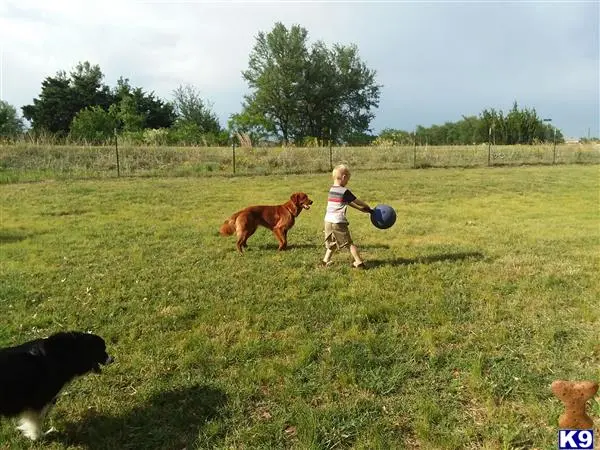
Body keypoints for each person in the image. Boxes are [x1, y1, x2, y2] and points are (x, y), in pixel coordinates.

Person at [321, 164, 373, 269]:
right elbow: (356, 201)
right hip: (338, 222)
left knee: (332, 243)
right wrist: (367, 207)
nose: (347, 182)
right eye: (347, 179)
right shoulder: (344, 191)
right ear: (344, 177)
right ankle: (359, 262)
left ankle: (325, 261)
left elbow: (347, 202)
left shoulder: (332, 190)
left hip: (327, 221)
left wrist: (359, 209)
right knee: (349, 243)